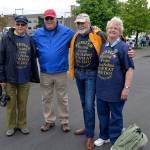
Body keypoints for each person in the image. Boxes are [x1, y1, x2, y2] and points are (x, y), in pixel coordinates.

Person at [69, 14, 136, 150]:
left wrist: (126, 87)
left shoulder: (103, 37)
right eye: (78, 23)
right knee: (95, 109)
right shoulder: (82, 38)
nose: (80, 25)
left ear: (89, 23)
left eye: (83, 23)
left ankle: (105, 138)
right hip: (88, 79)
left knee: (99, 109)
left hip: (102, 81)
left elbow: (128, 64)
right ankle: (98, 132)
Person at [94, 17, 134, 148]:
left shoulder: (124, 47)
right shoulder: (103, 46)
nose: (112, 30)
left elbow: (130, 69)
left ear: (120, 32)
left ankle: (115, 140)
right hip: (101, 90)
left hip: (116, 91)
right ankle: (104, 136)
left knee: (116, 117)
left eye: (116, 28)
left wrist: (126, 88)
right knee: (102, 115)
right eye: (110, 27)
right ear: (107, 30)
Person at [32, 9, 75, 132]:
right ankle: (49, 121)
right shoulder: (37, 33)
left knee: (62, 98)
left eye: (52, 18)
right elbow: (28, 46)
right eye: (47, 18)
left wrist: (95, 32)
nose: (49, 20)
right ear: (44, 20)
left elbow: (80, 39)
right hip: (45, 72)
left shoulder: (67, 32)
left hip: (60, 71)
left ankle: (65, 121)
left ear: (56, 19)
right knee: (46, 98)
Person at [0, 15, 40, 136]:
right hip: (9, 78)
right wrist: (1, 78)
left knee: (23, 104)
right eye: (18, 24)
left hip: (24, 78)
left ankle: (22, 124)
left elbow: (34, 58)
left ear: (26, 26)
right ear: (15, 25)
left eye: (23, 24)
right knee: (11, 105)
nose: (20, 26)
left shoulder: (30, 40)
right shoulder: (6, 39)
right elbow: (1, 60)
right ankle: (11, 126)